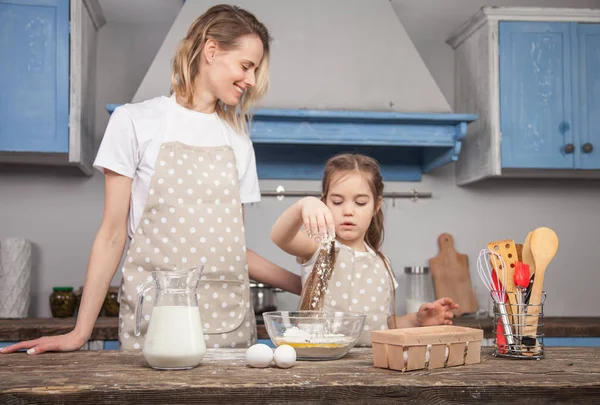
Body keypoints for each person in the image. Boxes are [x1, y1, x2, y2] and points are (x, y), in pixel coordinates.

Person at [1, 4, 301, 355]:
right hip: (156, 325)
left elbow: (232, 250)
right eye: (246, 66)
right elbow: (112, 235)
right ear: (211, 51)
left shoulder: (237, 140)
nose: (251, 80)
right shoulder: (135, 122)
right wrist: (80, 333)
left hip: (228, 329)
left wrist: (305, 285)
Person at [270, 153, 458, 346]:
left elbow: (384, 325)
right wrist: (304, 204)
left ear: (376, 205)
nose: (348, 211)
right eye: (337, 202)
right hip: (319, 366)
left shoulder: (381, 264)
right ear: (324, 202)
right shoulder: (319, 248)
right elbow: (280, 236)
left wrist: (416, 321)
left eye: (360, 202)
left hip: (370, 369)